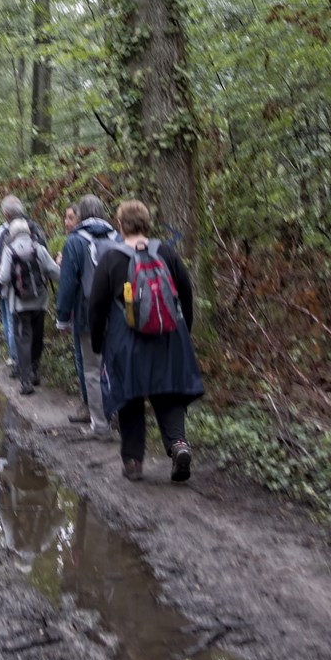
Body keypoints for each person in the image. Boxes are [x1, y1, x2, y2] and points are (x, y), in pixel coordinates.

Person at [88, 198, 203, 482]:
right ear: (147, 223)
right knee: (168, 393)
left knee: (130, 397)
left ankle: (133, 461)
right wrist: (182, 331)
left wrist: (98, 343)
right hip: (168, 337)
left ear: (120, 225)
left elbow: (97, 306)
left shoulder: (111, 258)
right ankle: (178, 445)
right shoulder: (165, 252)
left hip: (127, 341)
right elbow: (185, 293)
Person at [55, 194, 122, 436]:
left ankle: (100, 425)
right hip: (118, 314)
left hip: (87, 314)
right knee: (115, 367)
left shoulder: (75, 242)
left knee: (93, 370)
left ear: (81, 214)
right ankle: (120, 417)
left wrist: (62, 316)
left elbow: (68, 282)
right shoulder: (118, 237)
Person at [0, 215, 60, 397]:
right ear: (28, 232)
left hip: (19, 303)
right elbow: (53, 270)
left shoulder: (9, 250)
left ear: (13, 234)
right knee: (37, 335)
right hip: (40, 300)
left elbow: (4, 277)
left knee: (24, 339)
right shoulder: (37, 247)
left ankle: (26, 381)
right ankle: (35, 371)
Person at [0, 196, 27, 378]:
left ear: (6, 213)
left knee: (10, 322)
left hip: (7, 286)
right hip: (31, 288)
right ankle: (30, 362)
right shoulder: (31, 228)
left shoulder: (2, 231)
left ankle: (16, 361)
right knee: (27, 325)